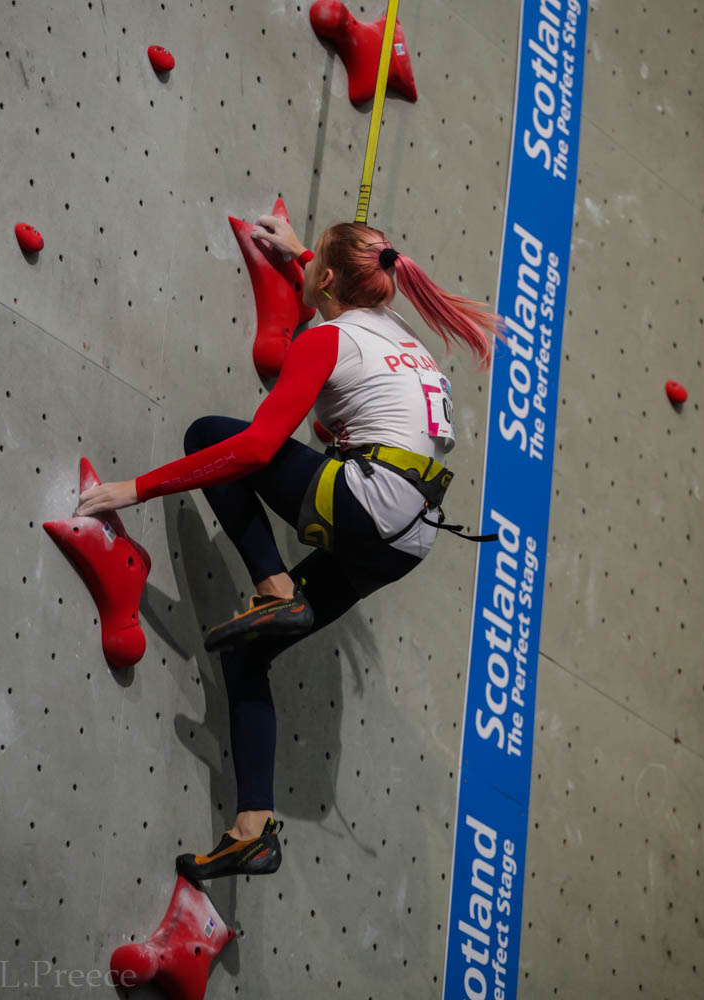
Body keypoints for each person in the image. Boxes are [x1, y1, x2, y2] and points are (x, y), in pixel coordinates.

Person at [75, 215, 501, 880]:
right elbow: (345, 311)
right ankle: (254, 830)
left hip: (367, 502)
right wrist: (305, 252)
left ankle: (274, 587)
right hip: (408, 538)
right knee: (251, 652)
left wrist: (137, 489)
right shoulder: (401, 340)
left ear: (327, 282)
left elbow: (253, 448)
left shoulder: (326, 338)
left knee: (210, 432)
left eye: (311, 269)